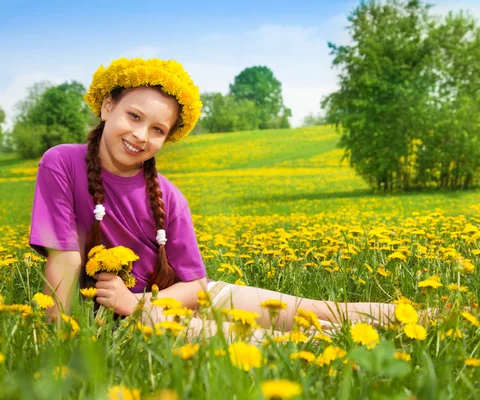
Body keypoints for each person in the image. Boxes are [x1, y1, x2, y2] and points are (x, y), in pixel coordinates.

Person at [29, 58, 400, 337]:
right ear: (108, 106)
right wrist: (57, 337)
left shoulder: (169, 197)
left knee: (311, 310)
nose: (141, 135)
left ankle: (416, 318)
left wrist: (141, 302)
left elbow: (195, 285)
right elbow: (65, 261)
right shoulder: (62, 162)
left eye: (157, 129)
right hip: (131, 321)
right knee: (271, 340)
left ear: (168, 137)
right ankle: (368, 340)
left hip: (163, 300)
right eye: (134, 116)